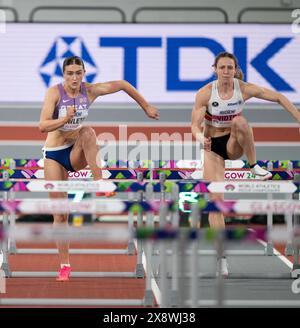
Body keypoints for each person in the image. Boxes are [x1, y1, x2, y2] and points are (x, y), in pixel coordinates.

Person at [39, 56, 159, 281]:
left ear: (84, 73)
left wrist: (146, 106)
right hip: (54, 154)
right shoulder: (54, 93)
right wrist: (65, 119)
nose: (74, 78)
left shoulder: (91, 91)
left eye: (78, 73)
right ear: (63, 75)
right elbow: (42, 125)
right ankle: (64, 264)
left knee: (88, 132)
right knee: (60, 214)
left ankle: (99, 181)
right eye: (70, 74)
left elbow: (123, 84)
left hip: (77, 151)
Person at [191, 52, 300, 277]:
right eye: (222, 68)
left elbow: (279, 97)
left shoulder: (244, 89)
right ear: (215, 69)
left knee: (240, 121)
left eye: (230, 68)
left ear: (235, 69)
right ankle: (221, 257)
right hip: (213, 149)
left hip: (233, 143)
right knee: (215, 202)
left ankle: (253, 166)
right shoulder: (204, 93)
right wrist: (202, 139)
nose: (226, 72)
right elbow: (193, 125)